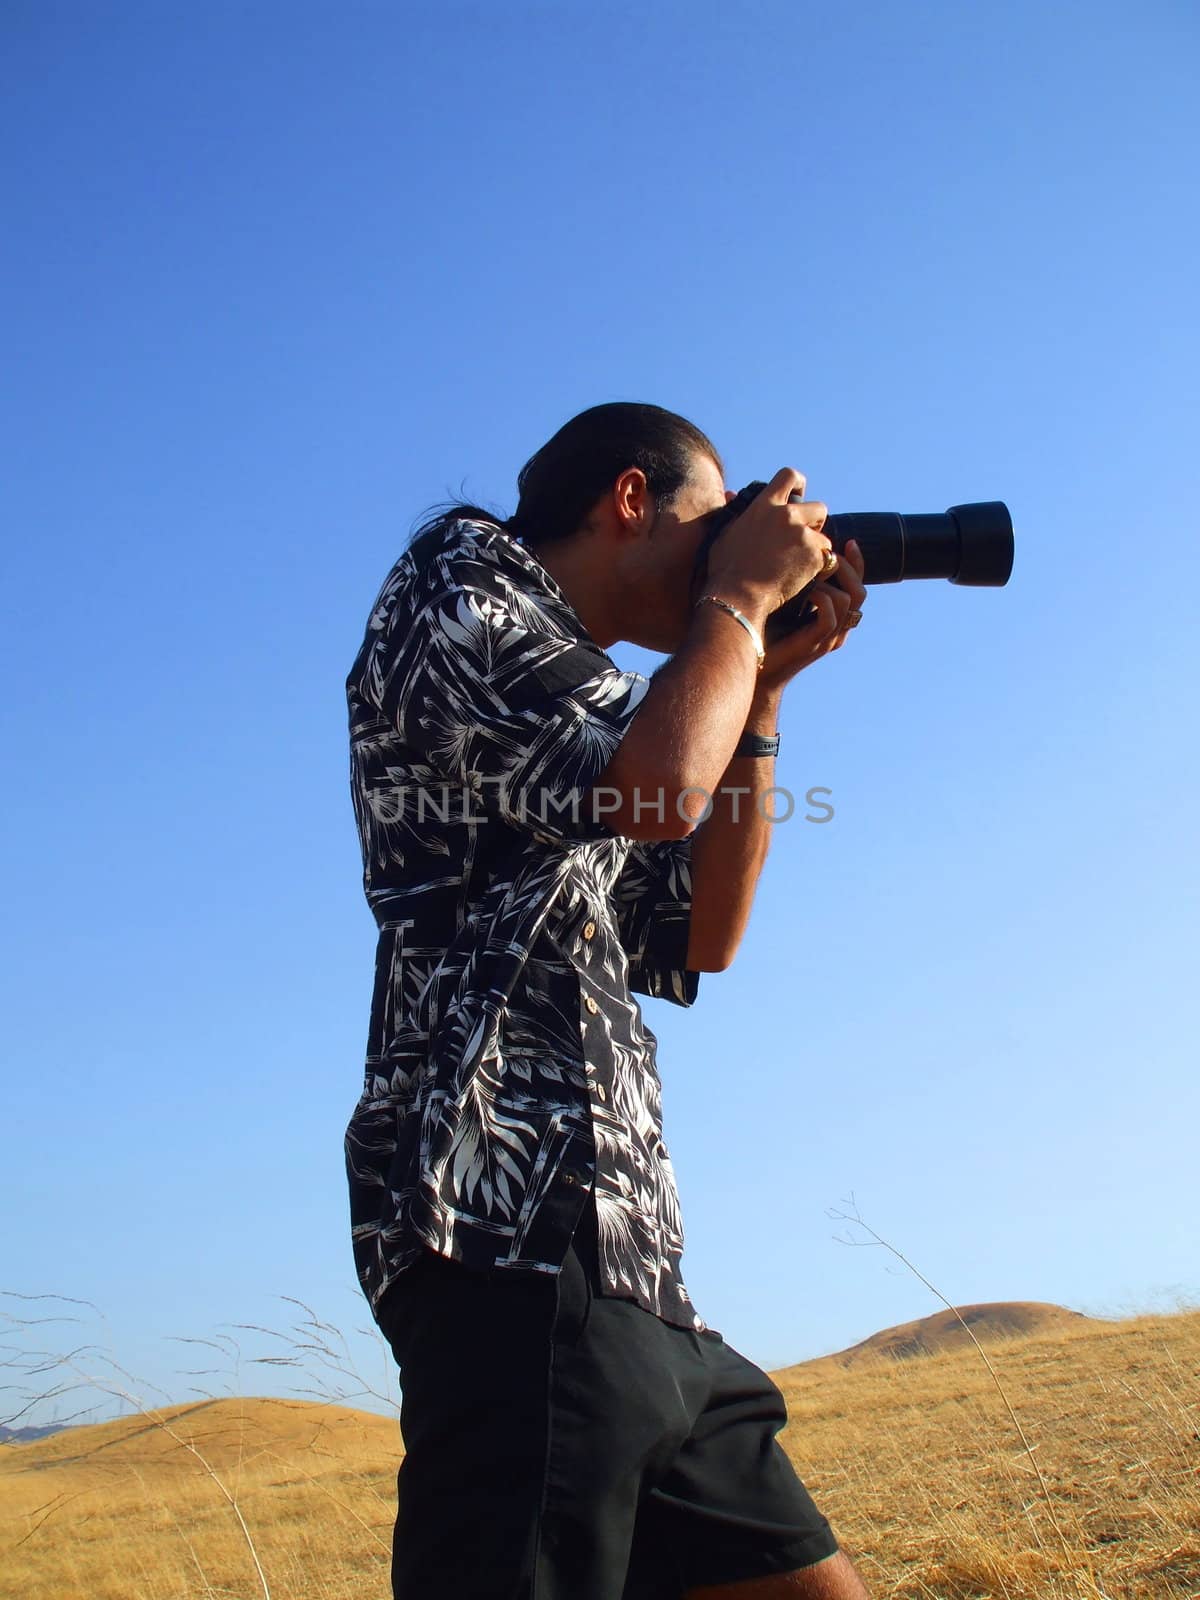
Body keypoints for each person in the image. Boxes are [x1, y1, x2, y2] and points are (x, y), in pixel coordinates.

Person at [344, 402, 872, 1599]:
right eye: (711, 524)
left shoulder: (591, 707)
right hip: (505, 1238)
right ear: (629, 500)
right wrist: (734, 607)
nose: (722, 557)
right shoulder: (457, 588)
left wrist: (765, 699)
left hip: (628, 1261)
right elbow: (655, 794)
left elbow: (702, 935)